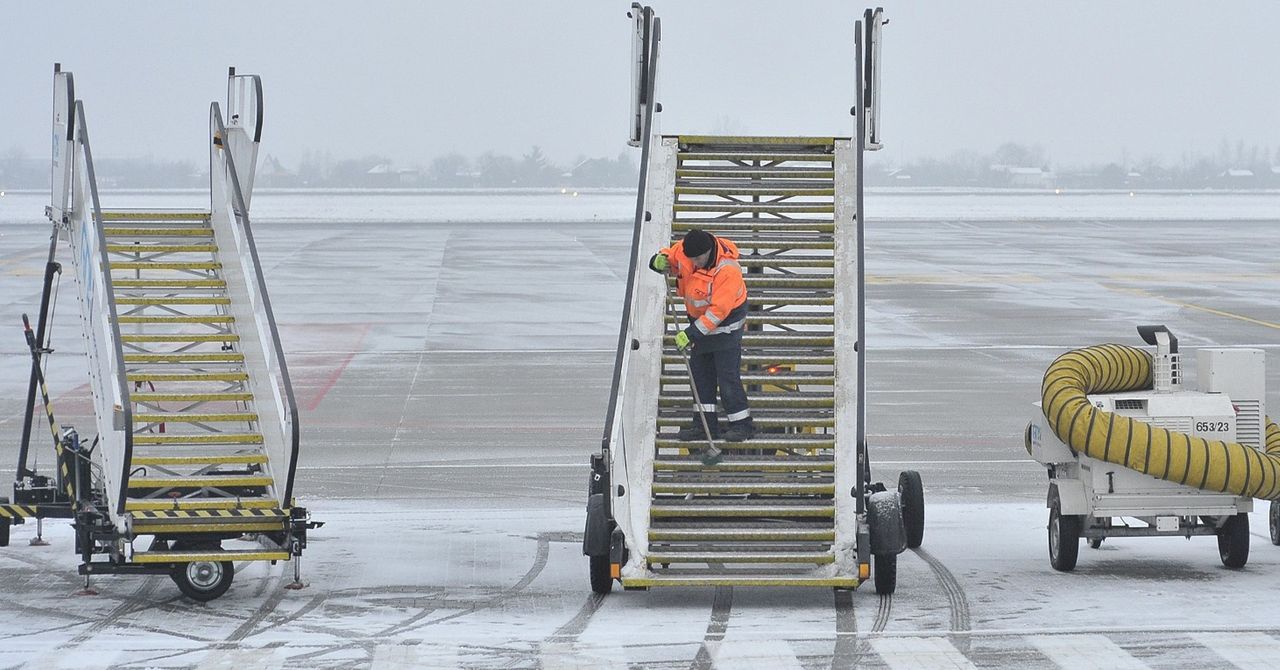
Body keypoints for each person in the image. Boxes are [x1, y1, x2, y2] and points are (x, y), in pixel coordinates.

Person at [649, 229, 754, 442]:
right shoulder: (685, 252)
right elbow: (668, 257)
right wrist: (656, 261)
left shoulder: (727, 270)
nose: (694, 263)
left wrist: (691, 333)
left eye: (698, 258)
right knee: (701, 377)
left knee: (727, 378)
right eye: (691, 259)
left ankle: (742, 425)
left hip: (726, 328)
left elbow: (718, 312)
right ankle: (704, 425)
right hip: (698, 323)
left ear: (708, 252)